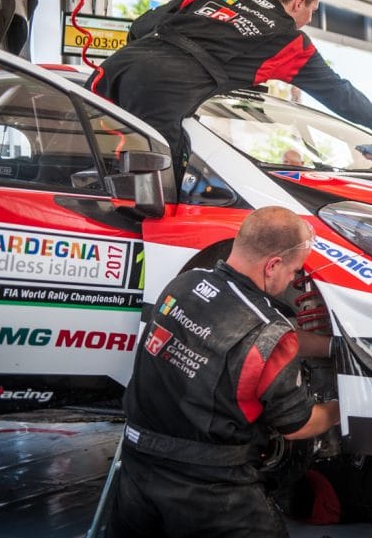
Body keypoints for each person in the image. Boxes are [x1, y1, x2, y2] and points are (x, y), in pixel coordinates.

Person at [108, 206, 340, 538]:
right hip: (208, 487)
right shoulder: (270, 333)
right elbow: (298, 425)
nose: (294, 280)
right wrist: (340, 410)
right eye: (294, 270)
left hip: (136, 467)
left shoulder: (184, 284)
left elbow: (233, 336)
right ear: (273, 265)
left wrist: (331, 346)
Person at [88, 0, 372, 175]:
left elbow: (141, 25)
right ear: (299, 3)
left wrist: (141, 63)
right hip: (162, 96)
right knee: (157, 197)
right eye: (312, 10)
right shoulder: (290, 41)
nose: (310, 19)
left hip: (112, 70)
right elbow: (339, 93)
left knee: (76, 162)